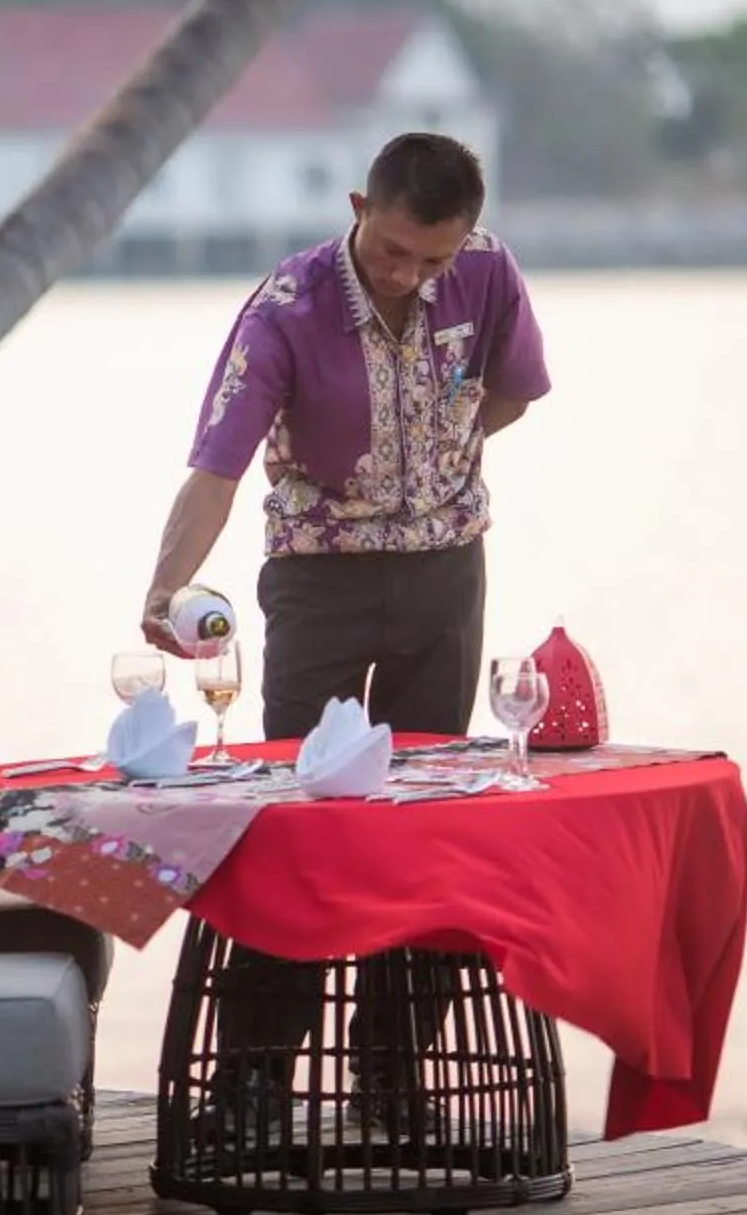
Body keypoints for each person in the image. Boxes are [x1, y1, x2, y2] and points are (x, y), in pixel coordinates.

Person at [135, 130, 551, 1136]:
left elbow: (517, 387)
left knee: (425, 817)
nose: (412, 275)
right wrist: (166, 585)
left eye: (433, 259)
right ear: (361, 206)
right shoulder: (288, 309)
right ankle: (253, 1082)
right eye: (396, 250)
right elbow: (218, 466)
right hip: (319, 579)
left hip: (446, 572)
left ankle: (391, 1080)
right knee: (301, 822)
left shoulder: (487, 271)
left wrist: (444, 445)